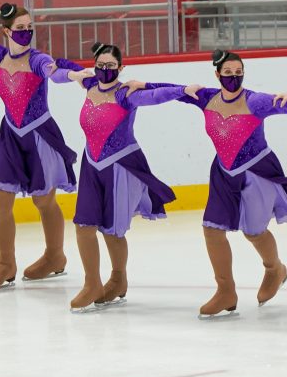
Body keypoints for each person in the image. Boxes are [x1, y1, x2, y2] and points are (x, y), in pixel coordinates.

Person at [0, 3, 92, 290]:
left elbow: (54, 71)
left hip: (39, 134)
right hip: (10, 135)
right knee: (0, 201)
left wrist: (75, 75)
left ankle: (55, 256)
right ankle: (6, 263)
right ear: (6, 32)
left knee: (44, 200)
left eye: (29, 28)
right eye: (20, 29)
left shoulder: (38, 59)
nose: (26, 33)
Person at [177, 49, 287, 319]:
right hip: (223, 172)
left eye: (238, 72)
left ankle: (274, 269)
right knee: (212, 229)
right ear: (217, 74)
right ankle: (226, 291)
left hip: (257, 171)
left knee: (254, 232)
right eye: (228, 72)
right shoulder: (206, 98)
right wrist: (142, 86)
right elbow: (166, 93)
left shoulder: (255, 101)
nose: (234, 77)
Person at [69, 43, 200, 312]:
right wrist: (71, 74)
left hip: (120, 165)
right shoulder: (89, 85)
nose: (105, 70)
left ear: (121, 68)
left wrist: (181, 90)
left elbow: (155, 96)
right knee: (83, 225)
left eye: (111, 66)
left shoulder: (126, 94)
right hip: (91, 165)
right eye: (101, 65)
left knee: (112, 230)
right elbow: (56, 68)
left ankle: (118, 280)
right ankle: (91, 283)